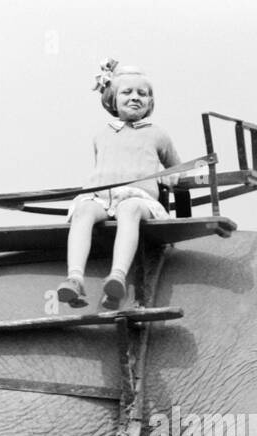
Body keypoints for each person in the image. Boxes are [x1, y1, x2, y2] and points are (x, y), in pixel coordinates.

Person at [58, 59, 181, 311]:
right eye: (127, 92)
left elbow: (176, 167)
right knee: (83, 211)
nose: (135, 97)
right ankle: (75, 277)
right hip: (102, 197)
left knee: (130, 211)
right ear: (112, 99)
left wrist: (170, 175)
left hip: (138, 197)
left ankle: (117, 275)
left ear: (150, 102)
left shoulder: (157, 134)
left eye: (142, 93)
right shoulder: (101, 134)